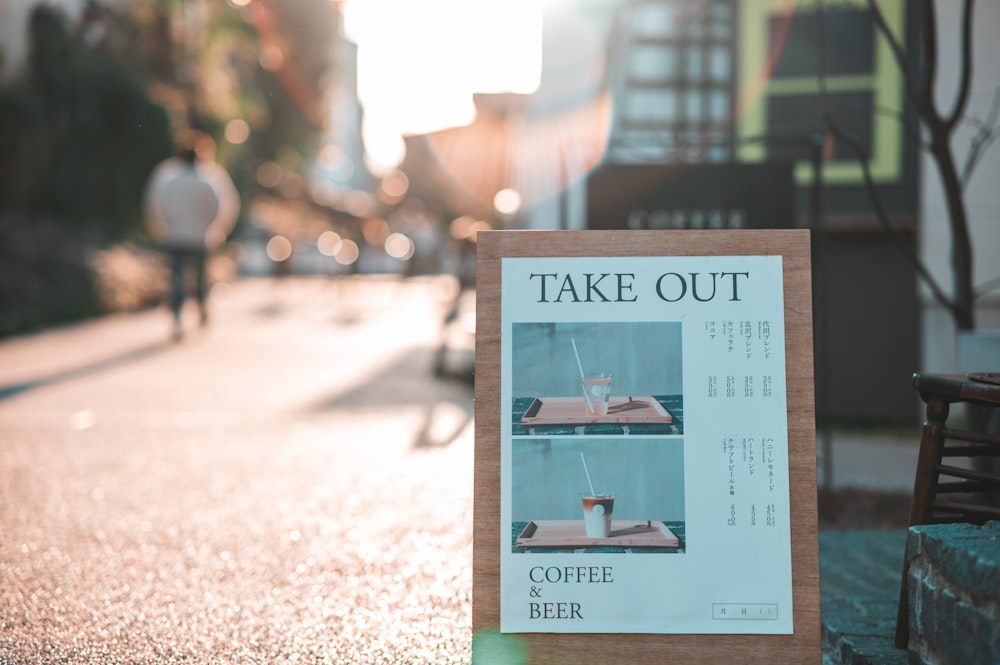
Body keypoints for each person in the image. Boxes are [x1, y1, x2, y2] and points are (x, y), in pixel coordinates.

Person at [144, 135, 240, 340]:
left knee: (176, 279)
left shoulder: (169, 179)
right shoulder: (207, 180)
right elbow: (218, 207)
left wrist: (165, 226)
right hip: (200, 237)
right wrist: (213, 228)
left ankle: (177, 317)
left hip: (176, 235)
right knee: (200, 279)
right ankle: (202, 312)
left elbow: (157, 204)